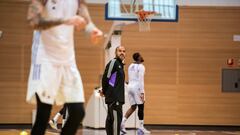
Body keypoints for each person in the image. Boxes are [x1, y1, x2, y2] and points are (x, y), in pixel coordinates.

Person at [26, 0, 103, 135]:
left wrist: (92, 31)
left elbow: (85, 21)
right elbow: (33, 21)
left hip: (67, 59)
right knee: (43, 115)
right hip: (45, 58)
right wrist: (64, 20)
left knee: (78, 112)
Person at [121, 52, 151, 134]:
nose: (142, 57)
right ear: (138, 58)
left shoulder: (130, 66)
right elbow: (141, 80)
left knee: (133, 107)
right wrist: (142, 93)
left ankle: (122, 122)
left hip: (130, 87)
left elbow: (130, 78)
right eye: (140, 56)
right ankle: (141, 128)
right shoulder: (141, 67)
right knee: (141, 107)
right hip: (137, 88)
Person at [100, 46, 126, 135]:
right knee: (116, 122)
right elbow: (105, 77)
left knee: (111, 121)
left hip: (116, 99)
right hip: (115, 99)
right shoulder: (113, 62)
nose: (122, 53)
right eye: (120, 51)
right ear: (116, 52)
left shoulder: (120, 65)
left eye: (124, 51)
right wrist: (104, 91)